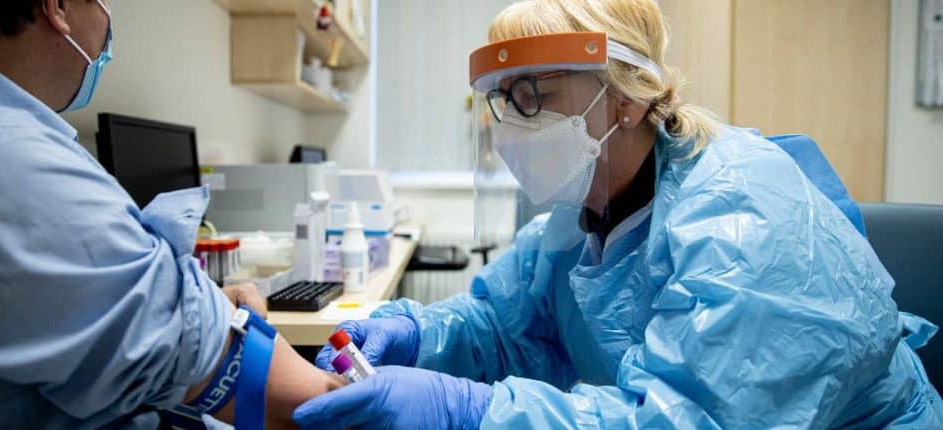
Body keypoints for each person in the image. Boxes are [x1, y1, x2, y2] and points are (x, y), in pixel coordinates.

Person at [292, 0, 943, 428]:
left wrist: (467, 410)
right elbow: (506, 326)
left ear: (626, 96)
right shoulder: (583, 212)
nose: (513, 126)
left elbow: (683, 419)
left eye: (532, 94)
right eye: (504, 101)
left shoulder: (741, 218)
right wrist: (416, 335)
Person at [0, 1, 343, 428]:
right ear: (58, 8)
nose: (107, 17)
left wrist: (191, 307)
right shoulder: (10, 165)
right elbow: (313, 406)